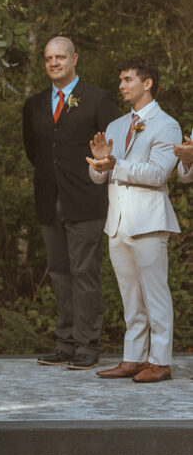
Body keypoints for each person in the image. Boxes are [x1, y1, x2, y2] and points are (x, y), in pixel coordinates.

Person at [22, 36, 120, 370]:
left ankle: (88, 345)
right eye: (49, 58)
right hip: (49, 200)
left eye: (60, 57)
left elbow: (114, 149)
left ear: (74, 59)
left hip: (87, 200)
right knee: (60, 273)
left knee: (85, 274)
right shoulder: (34, 105)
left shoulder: (97, 99)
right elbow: (34, 152)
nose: (54, 63)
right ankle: (65, 343)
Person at [88, 57, 181, 383]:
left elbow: (158, 174)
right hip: (118, 223)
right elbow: (102, 176)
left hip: (149, 223)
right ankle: (133, 357)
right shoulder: (114, 126)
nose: (122, 85)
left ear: (148, 83)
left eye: (128, 79)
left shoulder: (166, 125)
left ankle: (160, 361)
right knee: (130, 297)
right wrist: (98, 165)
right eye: (121, 80)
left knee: (156, 296)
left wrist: (114, 163)